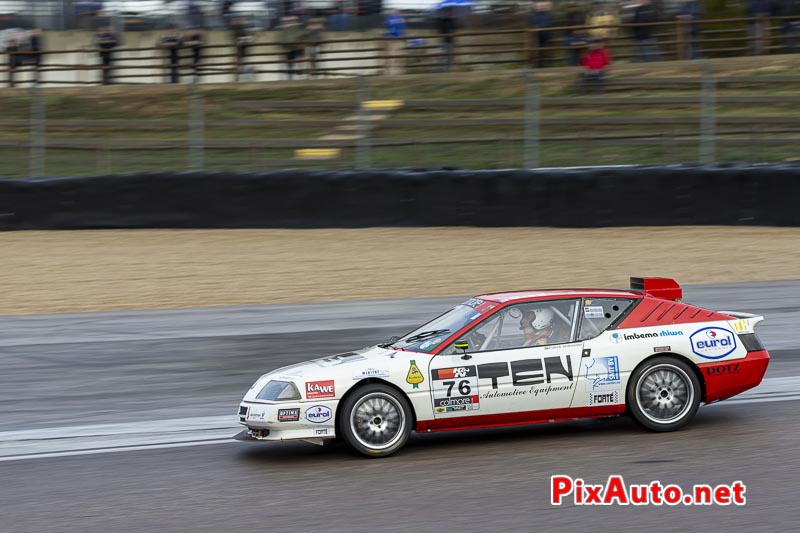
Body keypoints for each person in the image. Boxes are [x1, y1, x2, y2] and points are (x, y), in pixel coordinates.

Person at [528, 1, 555, 68]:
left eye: (541, 6)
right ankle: (538, 64)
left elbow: (549, 23)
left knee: (545, 50)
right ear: (536, 7)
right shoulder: (533, 15)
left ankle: (546, 63)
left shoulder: (547, 14)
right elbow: (533, 23)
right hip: (537, 36)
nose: (540, 7)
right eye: (538, 6)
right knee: (537, 50)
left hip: (545, 35)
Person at [277, 16, 304, 80]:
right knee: (290, 65)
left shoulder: (297, 28)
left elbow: (300, 38)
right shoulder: (283, 29)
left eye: (293, 20)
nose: (288, 22)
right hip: (288, 50)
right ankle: (290, 78)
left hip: (296, 49)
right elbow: (281, 39)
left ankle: (299, 78)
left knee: (298, 64)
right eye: (285, 21)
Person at [384, 9, 407, 76]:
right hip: (397, 39)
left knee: (393, 55)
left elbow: (387, 27)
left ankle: (394, 71)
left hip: (394, 39)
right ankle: (398, 71)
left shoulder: (389, 18)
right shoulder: (400, 18)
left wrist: (387, 35)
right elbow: (403, 28)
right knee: (399, 55)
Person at [436, 7, 457, 72]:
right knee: (442, 55)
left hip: (451, 41)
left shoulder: (452, 20)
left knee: (450, 57)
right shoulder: (442, 20)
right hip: (444, 41)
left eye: (450, 12)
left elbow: (454, 29)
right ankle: (440, 69)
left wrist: (452, 31)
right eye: (449, 12)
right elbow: (440, 31)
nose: (450, 13)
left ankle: (447, 69)